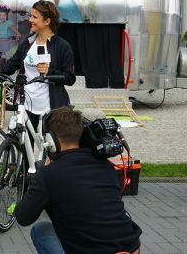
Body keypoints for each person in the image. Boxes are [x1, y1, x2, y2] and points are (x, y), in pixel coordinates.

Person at [14, 107, 142, 254]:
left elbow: (23, 217)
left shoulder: (49, 174)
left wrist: (38, 178)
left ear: (51, 140)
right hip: (132, 249)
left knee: (41, 230)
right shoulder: (106, 167)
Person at [0, 0, 76, 136]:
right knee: (25, 148)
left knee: (50, 151)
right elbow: (13, 64)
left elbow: (70, 78)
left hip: (51, 108)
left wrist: (49, 72)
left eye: (35, 17)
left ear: (47, 21)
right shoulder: (28, 42)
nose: (30, 20)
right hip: (26, 106)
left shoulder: (62, 46)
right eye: (30, 16)